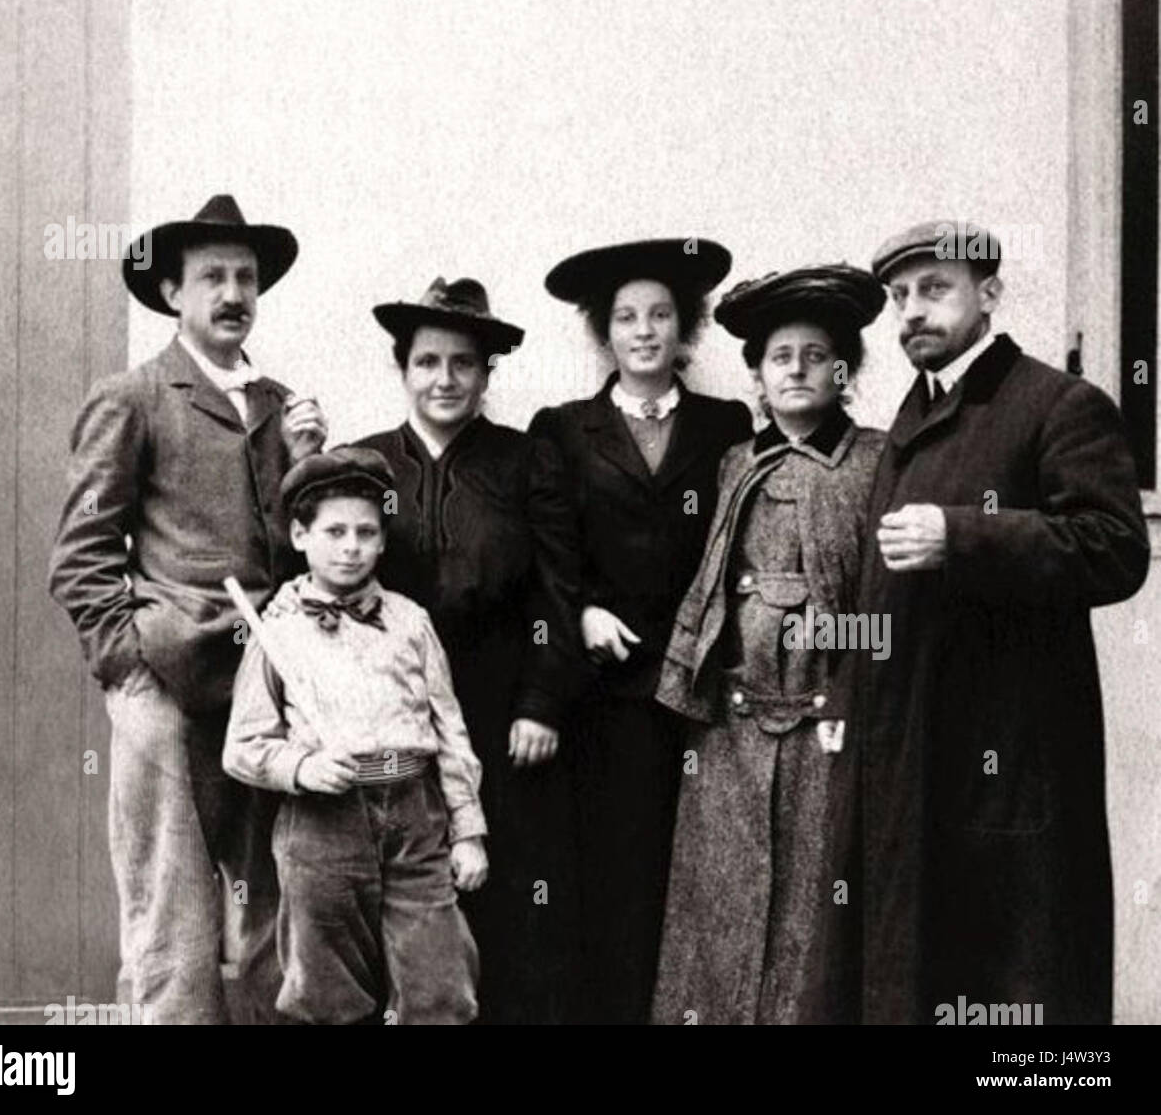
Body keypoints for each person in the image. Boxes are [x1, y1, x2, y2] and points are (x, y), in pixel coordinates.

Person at [844, 219, 1150, 1024]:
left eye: (934, 289)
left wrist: (964, 534)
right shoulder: (907, 428)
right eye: (900, 297)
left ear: (989, 294)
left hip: (1012, 766)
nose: (911, 311)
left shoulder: (1057, 404)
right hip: (911, 763)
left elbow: (1115, 549)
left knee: (1022, 993)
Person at [48, 194, 328, 1024]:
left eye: (245, 277)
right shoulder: (133, 397)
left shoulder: (282, 407)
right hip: (168, 692)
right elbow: (80, 557)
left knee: (272, 905)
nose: (232, 293)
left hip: (266, 695)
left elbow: (299, 555)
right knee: (171, 916)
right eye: (211, 277)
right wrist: (131, 667)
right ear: (173, 293)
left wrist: (311, 462)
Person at [651, 265, 885, 1025]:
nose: (795, 369)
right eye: (778, 356)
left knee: (812, 920)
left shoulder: (877, 464)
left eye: (815, 355)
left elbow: (887, 610)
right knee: (719, 913)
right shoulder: (732, 465)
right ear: (755, 373)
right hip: (729, 732)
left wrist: (845, 681)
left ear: (843, 370)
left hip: (828, 734)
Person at [530, 237, 753, 1025]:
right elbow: (550, 552)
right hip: (609, 691)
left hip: (701, 686)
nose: (644, 331)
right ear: (604, 333)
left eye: (660, 314)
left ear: (684, 327)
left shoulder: (727, 423)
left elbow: (736, 544)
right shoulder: (563, 429)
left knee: (699, 874)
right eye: (626, 317)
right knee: (615, 874)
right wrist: (583, 608)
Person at [356, 277, 582, 1024]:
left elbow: (558, 592)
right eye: (427, 362)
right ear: (404, 369)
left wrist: (542, 703)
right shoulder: (364, 463)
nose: (444, 379)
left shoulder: (526, 462)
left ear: (487, 374)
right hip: (391, 715)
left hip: (498, 709)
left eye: (462, 363)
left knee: (511, 890)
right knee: (407, 892)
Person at [223, 447, 487, 1026]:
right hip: (322, 825)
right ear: (300, 535)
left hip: (416, 819)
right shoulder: (278, 632)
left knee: (440, 984)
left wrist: (468, 831)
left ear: (383, 541)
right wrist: (300, 768)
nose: (351, 546)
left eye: (366, 532)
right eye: (334, 531)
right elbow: (242, 747)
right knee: (326, 993)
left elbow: (450, 733)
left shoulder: (411, 622)